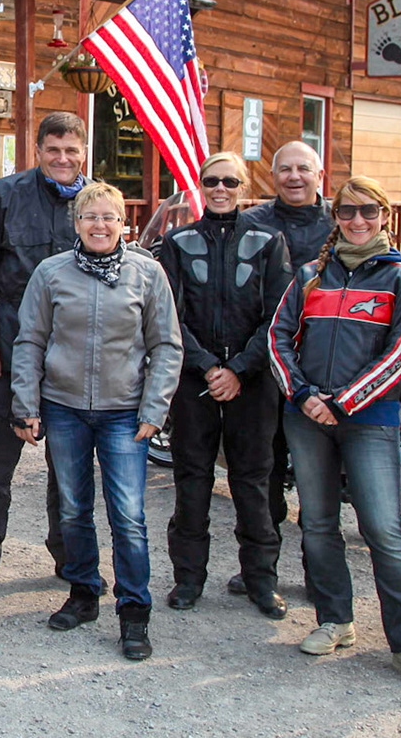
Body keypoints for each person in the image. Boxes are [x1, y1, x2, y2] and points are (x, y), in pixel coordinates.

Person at [267, 175, 401, 692]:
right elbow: (278, 338)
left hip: (369, 419)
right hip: (307, 416)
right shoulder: (311, 275)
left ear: (384, 215)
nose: (358, 220)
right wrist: (304, 395)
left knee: (383, 531)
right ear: (336, 217)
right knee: (318, 523)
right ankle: (335, 620)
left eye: (369, 211)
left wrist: (344, 402)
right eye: (347, 211)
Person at [10, 181, 183, 661]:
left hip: (124, 413)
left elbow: (167, 346)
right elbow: (30, 341)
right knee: (72, 509)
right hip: (64, 409)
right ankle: (84, 592)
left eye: (109, 217)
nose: (99, 225)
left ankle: (134, 612)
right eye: (90, 217)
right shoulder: (51, 273)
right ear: (77, 223)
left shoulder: (147, 274)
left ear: (123, 224)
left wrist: (155, 408)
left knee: (128, 516)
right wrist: (26, 404)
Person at [156, 152, 292, 616]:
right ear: (200, 185)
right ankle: (188, 579)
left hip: (252, 380)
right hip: (195, 379)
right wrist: (208, 366)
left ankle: (260, 580)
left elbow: (279, 315)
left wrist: (239, 370)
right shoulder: (178, 241)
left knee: (253, 482)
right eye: (211, 180)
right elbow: (168, 314)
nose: (220, 189)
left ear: (243, 186)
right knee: (192, 480)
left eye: (230, 182)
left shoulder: (268, 241)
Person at [0, 111, 86, 597]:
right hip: (10, 351)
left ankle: (69, 557)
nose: (62, 158)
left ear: (83, 153)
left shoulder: (95, 203)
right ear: (38, 150)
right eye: (53, 149)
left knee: (68, 471)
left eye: (71, 150)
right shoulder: (3, 196)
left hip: (72, 358)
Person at [235, 138, 331, 595]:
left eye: (303, 169)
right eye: (285, 170)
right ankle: (261, 571)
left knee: (318, 480)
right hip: (265, 365)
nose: (294, 177)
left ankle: (320, 576)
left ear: (320, 176)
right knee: (263, 474)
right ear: (272, 177)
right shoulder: (252, 223)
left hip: (323, 366)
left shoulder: (341, 223)